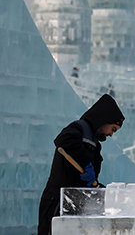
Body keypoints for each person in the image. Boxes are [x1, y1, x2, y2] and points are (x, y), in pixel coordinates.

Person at [38, 94, 124, 235]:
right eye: (113, 129)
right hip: (57, 198)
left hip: (74, 201)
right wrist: (85, 164)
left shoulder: (96, 145)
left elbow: (91, 180)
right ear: (106, 119)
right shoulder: (79, 128)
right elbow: (63, 140)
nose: (111, 134)